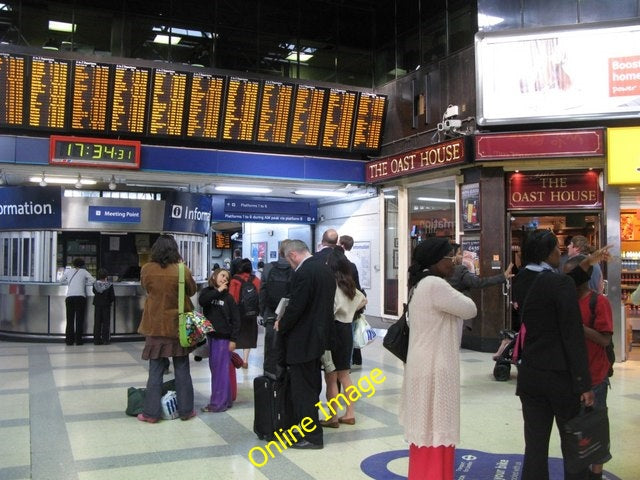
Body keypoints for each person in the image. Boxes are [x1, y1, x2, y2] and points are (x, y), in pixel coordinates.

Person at [512, 229, 594, 480]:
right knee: (572, 442)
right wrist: (583, 382)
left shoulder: (521, 279)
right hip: (561, 376)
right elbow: (572, 334)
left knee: (535, 445)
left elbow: (548, 284)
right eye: (557, 249)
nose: (560, 252)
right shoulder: (561, 283)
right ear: (548, 253)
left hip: (530, 373)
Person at [399, 238, 477, 479]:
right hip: (436, 364)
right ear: (435, 261)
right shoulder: (435, 284)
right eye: (449, 257)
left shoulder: (421, 284)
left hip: (424, 362)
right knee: (435, 426)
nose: (454, 261)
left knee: (427, 426)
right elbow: (470, 308)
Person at [275, 239, 336, 449]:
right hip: (318, 338)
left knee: (303, 391)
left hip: (302, 340)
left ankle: (311, 436)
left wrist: (281, 324)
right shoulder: (324, 270)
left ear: (293, 255)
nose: (290, 265)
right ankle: (308, 428)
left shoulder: (304, 273)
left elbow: (296, 307)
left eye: (288, 260)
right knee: (312, 386)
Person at [137, 234, 197, 423]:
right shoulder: (182, 270)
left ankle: (151, 414)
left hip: (155, 326)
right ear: (175, 250)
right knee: (182, 368)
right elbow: (192, 290)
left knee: (155, 370)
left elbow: (145, 288)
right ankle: (186, 411)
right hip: (177, 327)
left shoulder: (147, 269)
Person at [563, 255, 613, 480]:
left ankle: (596, 473)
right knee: (575, 431)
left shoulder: (598, 302)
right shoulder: (565, 302)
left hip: (596, 377)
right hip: (572, 380)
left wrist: (579, 327)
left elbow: (604, 340)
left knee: (596, 428)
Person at [319, 247, 367, 428]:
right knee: (345, 376)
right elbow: (363, 300)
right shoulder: (350, 286)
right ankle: (350, 414)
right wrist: (351, 311)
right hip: (347, 330)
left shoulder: (332, 287)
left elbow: (328, 311)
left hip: (333, 331)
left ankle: (332, 417)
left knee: (331, 377)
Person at [198, 268, 241, 412]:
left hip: (224, 339)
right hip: (212, 337)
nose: (224, 279)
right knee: (217, 369)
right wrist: (218, 291)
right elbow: (203, 301)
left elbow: (236, 319)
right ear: (215, 276)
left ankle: (217, 404)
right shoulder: (207, 292)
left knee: (220, 371)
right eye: (222, 276)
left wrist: (233, 340)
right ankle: (226, 400)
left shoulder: (228, 298)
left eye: (227, 278)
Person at [448, 242, 513, 332]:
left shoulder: (440, 272)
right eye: (459, 254)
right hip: (459, 310)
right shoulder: (460, 269)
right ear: (452, 256)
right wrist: (503, 277)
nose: (462, 256)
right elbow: (478, 282)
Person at [259, 239, 293, 377]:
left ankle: (271, 381)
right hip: (290, 317)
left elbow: (262, 292)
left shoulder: (268, 267)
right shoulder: (296, 268)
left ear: (279, 252)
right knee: (289, 349)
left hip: (271, 314)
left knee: (271, 349)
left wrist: (263, 313)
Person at [339, 234, 365, 367]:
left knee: (348, 331)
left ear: (342, 244)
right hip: (357, 296)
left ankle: (347, 362)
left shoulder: (344, 260)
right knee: (354, 328)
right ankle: (357, 358)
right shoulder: (358, 259)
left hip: (347, 297)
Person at [229, 258, 261, 369]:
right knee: (248, 335)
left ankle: (232, 358)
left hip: (238, 312)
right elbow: (260, 295)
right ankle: (245, 360)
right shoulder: (255, 279)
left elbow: (231, 297)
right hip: (251, 313)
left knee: (235, 335)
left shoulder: (235, 280)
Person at [60, 258, 96, 346]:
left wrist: (69, 282)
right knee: (79, 319)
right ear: (83, 265)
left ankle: (69, 340)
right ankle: (78, 340)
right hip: (80, 297)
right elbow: (93, 281)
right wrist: (85, 282)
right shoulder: (84, 272)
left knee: (70, 319)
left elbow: (61, 281)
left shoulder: (68, 271)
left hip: (69, 297)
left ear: (73, 264)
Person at [92, 268, 115, 345]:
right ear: (106, 276)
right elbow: (112, 297)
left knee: (97, 322)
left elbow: (94, 292)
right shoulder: (109, 285)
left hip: (97, 305)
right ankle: (105, 340)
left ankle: (96, 340)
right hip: (106, 305)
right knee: (106, 323)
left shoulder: (95, 284)